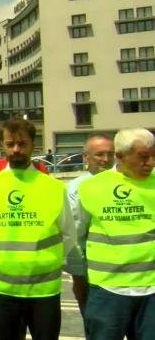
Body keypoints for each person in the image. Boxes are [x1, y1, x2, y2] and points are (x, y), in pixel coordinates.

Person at [0, 117, 83, 340]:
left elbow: (68, 233)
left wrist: (46, 263)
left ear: (34, 145)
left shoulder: (53, 188)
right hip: (1, 290)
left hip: (44, 290)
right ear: (2, 145)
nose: (16, 150)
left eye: (22, 144)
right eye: (10, 144)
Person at [77, 128, 155, 339]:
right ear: (120, 156)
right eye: (143, 157)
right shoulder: (91, 188)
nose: (150, 163)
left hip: (151, 290)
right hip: (107, 290)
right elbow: (78, 235)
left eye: (153, 156)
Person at [65, 133, 115, 315]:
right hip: (91, 270)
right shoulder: (75, 189)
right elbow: (74, 233)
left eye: (111, 154)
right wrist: (78, 274)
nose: (106, 159)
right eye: (99, 154)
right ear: (86, 157)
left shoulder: (128, 183)